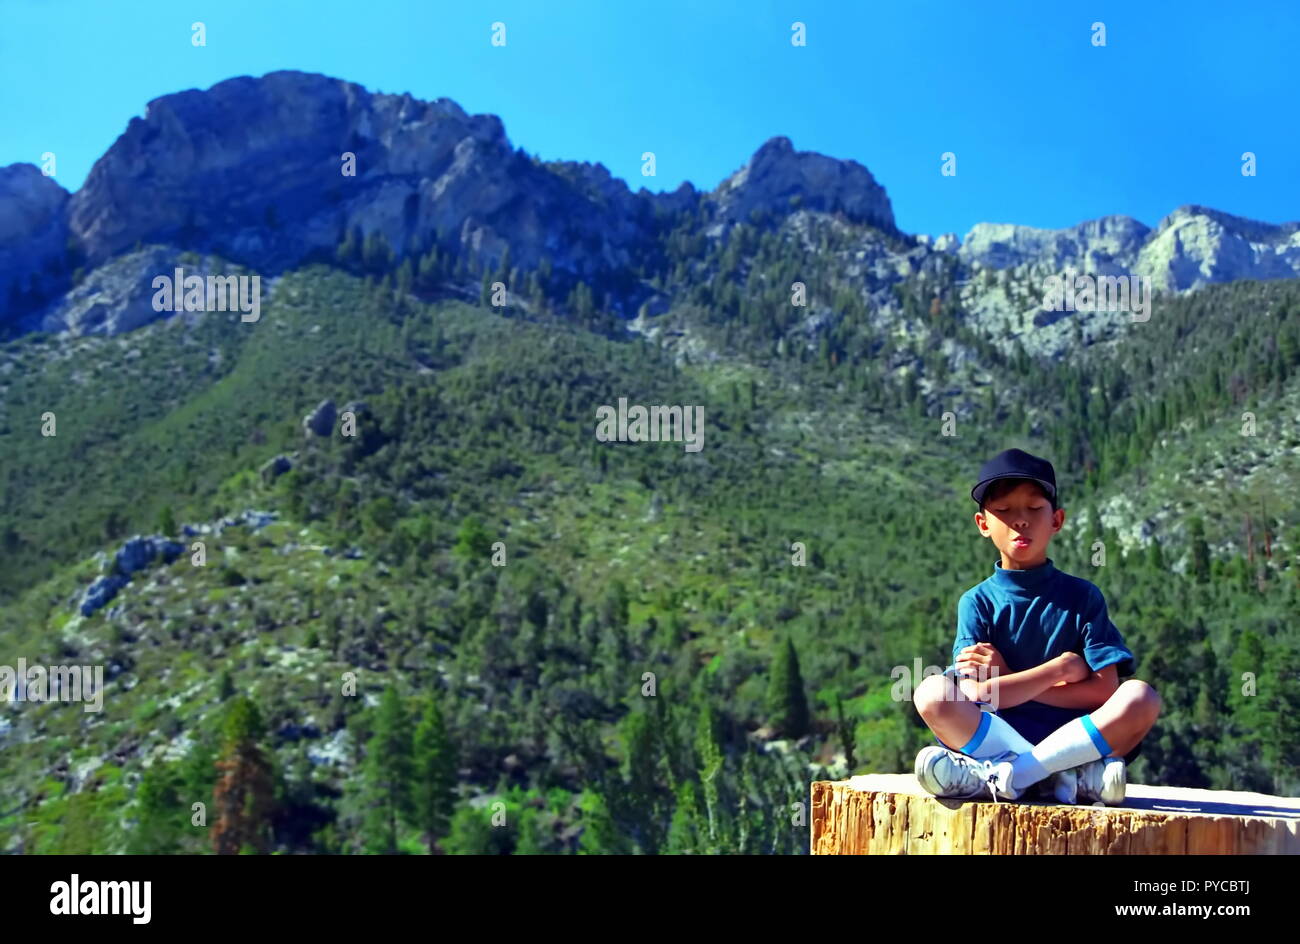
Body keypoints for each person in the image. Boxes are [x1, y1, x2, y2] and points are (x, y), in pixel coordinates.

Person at [912, 448, 1162, 805]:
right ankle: (1066, 777)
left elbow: (1104, 692)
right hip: (998, 737)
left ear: (1056, 520)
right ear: (983, 524)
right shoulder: (977, 602)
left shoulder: (1083, 597)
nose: (1020, 521)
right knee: (932, 693)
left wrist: (1006, 677)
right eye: (1004, 511)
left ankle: (1009, 775)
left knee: (1141, 697)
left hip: (1075, 738)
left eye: (1033, 509)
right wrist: (1056, 670)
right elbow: (973, 694)